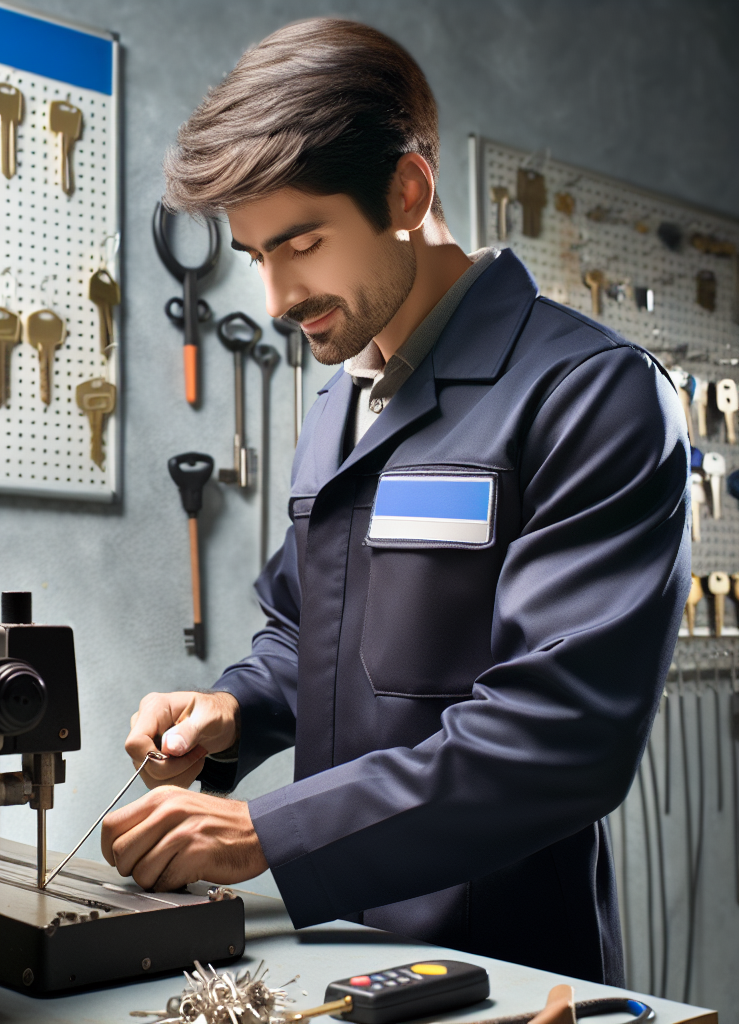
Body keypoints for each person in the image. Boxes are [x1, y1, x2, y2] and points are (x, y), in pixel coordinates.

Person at [101, 18, 689, 984]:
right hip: (335, 950)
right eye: (256, 256)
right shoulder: (346, 399)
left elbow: (558, 740)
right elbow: (309, 638)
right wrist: (230, 710)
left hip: (500, 963)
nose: (279, 296)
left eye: (301, 244)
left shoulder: (591, 394)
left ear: (407, 192)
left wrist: (269, 833)